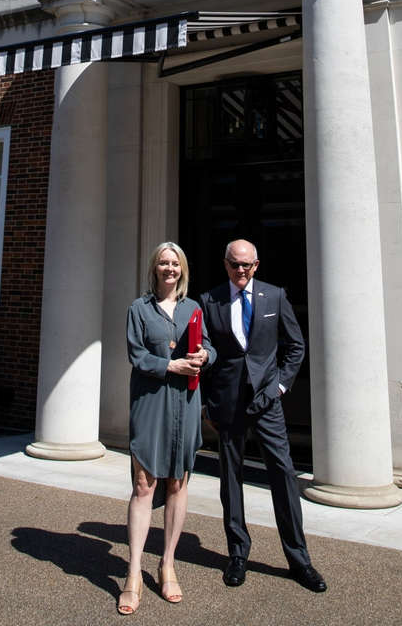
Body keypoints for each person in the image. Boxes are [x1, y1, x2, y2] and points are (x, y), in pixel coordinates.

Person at [200, 238, 326, 594]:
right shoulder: (209, 301)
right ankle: (237, 553)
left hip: (268, 402)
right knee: (231, 478)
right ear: (225, 264)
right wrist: (208, 401)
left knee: (284, 475)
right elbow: (207, 355)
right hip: (228, 404)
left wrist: (281, 387)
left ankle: (299, 559)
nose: (241, 270)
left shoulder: (275, 296)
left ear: (257, 265)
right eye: (235, 264)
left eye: (247, 265)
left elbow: (296, 345)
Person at [119, 241, 215, 615]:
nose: (169, 268)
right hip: (151, 401)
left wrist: (205, 355)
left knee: (178, 481)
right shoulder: (138, 309)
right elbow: (136, 354)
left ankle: (167, 563)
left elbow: (208, 347)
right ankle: (132, 573)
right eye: (163, 262)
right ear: (154, 269)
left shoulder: (194, 308)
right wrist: (170, 366)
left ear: (182, 270)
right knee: (144, 484)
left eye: (175, 263)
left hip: (186, 404)